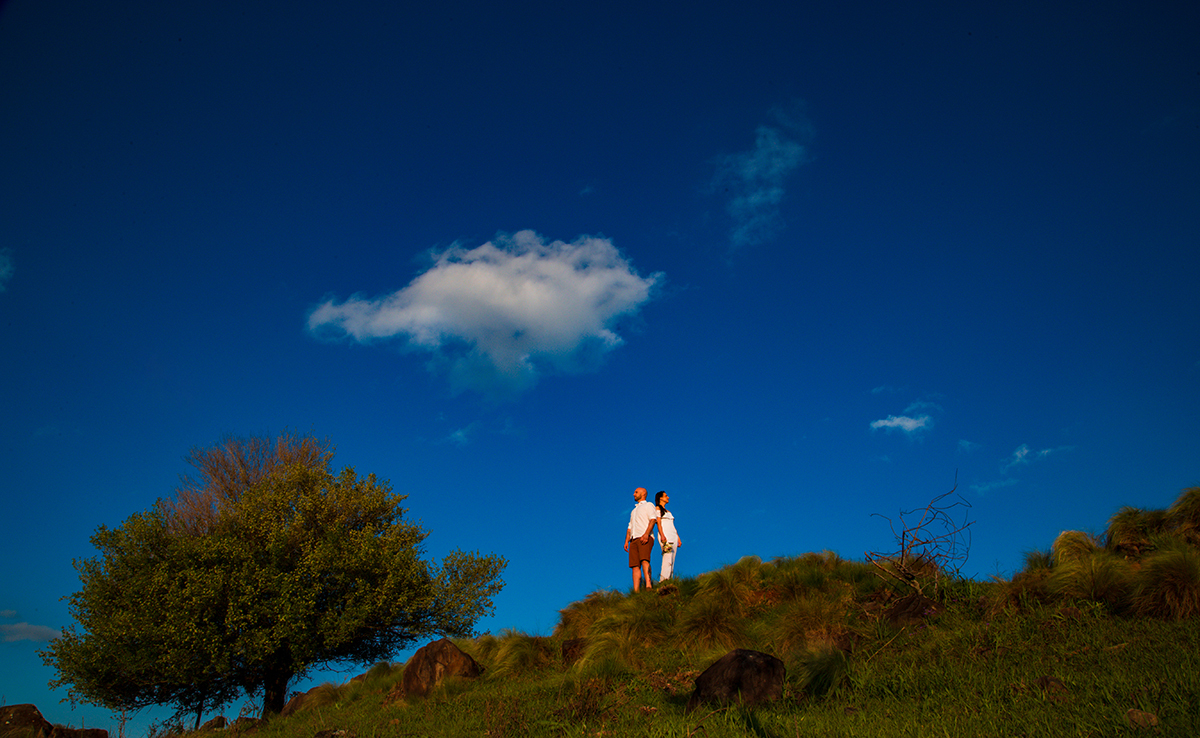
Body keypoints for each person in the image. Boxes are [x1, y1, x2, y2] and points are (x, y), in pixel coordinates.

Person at [624, 486, 658, 591]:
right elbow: (630, 527)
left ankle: (648, 585)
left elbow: (653, 520)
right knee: (634, 566)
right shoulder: (633, 510)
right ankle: (636, 591)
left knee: (644, 560)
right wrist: (626, 541)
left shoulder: (649, 505)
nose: (634, 494)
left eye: (636, 492)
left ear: (643, 493)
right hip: (633, 539)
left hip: (644, 536)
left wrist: (646, 534)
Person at [655, 490, 682, 582]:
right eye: (666, 496)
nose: (668, 497)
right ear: (661, 498)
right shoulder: (657, 509)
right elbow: (658, 523)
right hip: (665, 534)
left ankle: (670, 579)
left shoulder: (668, 512)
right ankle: (663, 580)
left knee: (672, 559)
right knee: (667, 557)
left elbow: (672, 526)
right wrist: (662, 535)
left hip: (673, 535)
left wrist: (678, 537)